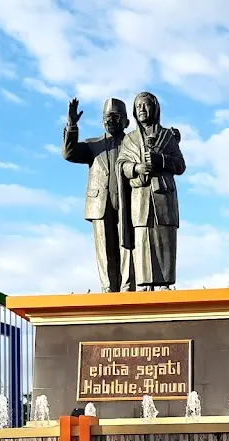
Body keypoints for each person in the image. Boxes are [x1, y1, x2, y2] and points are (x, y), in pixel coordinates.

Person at [62, 97, 134, 292]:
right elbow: (69, 153)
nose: (111, 120)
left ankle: (128, 288)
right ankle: (109, 289)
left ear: (126, 121)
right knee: (104, 248)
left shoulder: (133, 143)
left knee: (128, 245)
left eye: (116, 116)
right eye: (107, 116)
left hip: (128, 202)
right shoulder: (93, 145)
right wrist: (71, 125)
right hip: (100, 204)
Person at [118, 91, 186, 290]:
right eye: (138, 106)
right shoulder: (129, 139)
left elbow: (180, 165)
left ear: (154, 109)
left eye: (145, 105)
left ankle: (165, 283)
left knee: (165, 238)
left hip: (163, 197)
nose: (141, 109)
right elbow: (122, 164)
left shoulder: (167, 136)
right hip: (140, 196)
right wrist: (136, 168)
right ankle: (145, 283)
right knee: (143, 238)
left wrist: (161, 160)